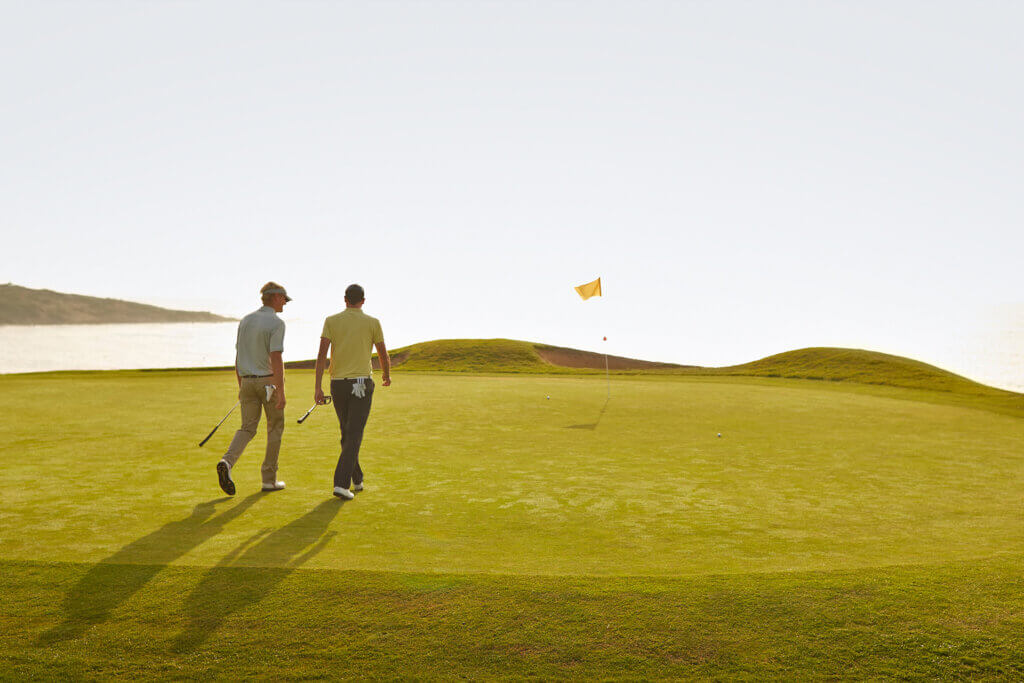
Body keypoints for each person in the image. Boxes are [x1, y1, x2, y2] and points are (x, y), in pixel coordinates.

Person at [314, 283, 390, 500]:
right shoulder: (373, 322)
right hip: (361, 384)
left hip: (338, 384)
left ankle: (357, 479)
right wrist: (386, 375)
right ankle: (341, 483)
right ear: (363, 301)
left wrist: (317, 386)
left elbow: (321, 357)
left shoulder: (331, 321)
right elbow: (383, 354)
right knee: (353, 434)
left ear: (345, 299)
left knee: (347, 433)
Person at [216, 281, 290, 496]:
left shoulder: (246, 320)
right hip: (267, 382)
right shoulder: (277, 323)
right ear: (276, 297)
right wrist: (281, 390)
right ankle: (269, 479)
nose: (285, 303)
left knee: (247, 428)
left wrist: (242, 385)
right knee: (275, 427)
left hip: (246, 381)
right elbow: (276, 357)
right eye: (284, 299)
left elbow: (239, 355)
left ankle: (227, 462)